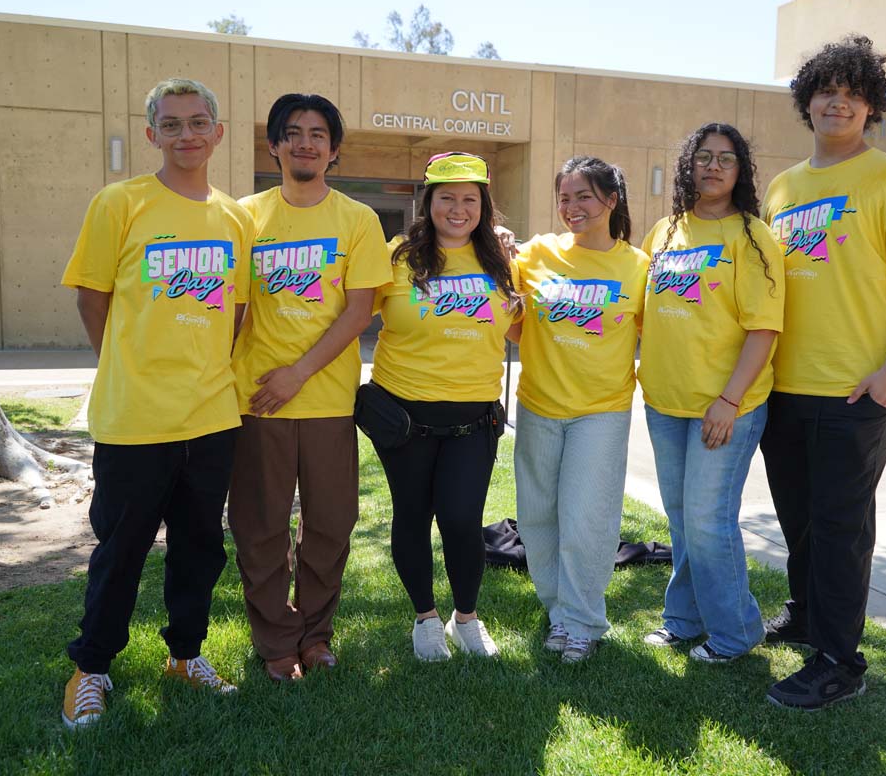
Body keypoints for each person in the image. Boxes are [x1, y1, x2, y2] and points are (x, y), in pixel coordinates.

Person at [759, 35, 886, 710]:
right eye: (825, 90)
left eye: (852, 93)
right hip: (785, 386)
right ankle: (808, 615)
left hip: (859, 386)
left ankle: (841, 659)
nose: (837, 102)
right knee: (800, 518)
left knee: (841, 526)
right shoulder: (784, 186)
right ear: (806, 101)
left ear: (871, 107)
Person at [60, 78, 253, 727]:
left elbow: (238, 311)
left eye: (198, 122)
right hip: (134, 419)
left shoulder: (235, 218)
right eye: (171, 125)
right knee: (121, 549)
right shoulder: (120, 204)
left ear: (217, 133)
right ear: (152, 136)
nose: (186, 134)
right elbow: (92, 297)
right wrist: (123, 361)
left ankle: (186, 655)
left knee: (201, 547)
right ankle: (92, 668)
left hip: (212, 417)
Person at [227, 94, 391, 681]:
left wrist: (298, 372)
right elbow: (233, 308)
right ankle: (275, 641)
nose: (305, 143)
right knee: (261, 525)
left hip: (325, 399)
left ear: (334, 150)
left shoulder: (357, 220)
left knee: (329, 523)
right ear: (272, 145)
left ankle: (316, 635)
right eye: (292, 133)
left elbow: (359, 311)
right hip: (257, 400)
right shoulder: (243, 217)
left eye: (317, 134)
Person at [638, 124, 784, 664]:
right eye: (703, 157)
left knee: (707, 519)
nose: (714, 166)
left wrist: (728, 401)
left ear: (740, 171)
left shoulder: (752, 237)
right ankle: (683, 619)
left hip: (725, 407)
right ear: (688, 167)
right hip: (665, 403)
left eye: (726, 159)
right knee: (681, 518)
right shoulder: (666, 231)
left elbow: (764, 328)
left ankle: (735, 632)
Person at [369, 152, 521, 661]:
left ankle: (467, 618)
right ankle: (425, 618)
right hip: (404, 419)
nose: (459, 209)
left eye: (470, 200)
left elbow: (516, 327)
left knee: (461, 519)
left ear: (484, 206)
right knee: (411, 516)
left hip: (474, 420)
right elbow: (348, 314)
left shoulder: (502, 261)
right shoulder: (395, 258)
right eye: (447, 198)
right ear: (428, 202)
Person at [510, 156, 649, 663]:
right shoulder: (536, 254)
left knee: (587, 518)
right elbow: (512, 320)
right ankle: (559, 612)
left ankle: (585, 621)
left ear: (611, 201)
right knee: (537, 516)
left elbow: (657, 335)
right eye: (565, 197)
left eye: (584, 196)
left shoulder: (637, 266)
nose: (572, 207)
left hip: (602, 410)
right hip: (539, 405)